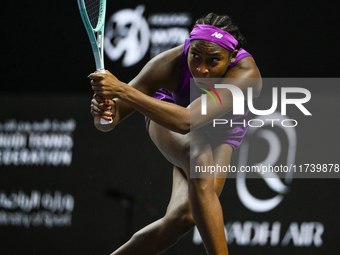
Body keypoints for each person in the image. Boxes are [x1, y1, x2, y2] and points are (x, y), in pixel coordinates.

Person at [89, 13, 261, 255]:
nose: (201, 69)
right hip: (170, 113)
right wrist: (104, 113)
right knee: (198, 158)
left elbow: (188, 121)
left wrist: (122, 90)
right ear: (188, 47)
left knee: (185, 218)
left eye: (213, 61)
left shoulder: (247, 75)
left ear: (232, 57)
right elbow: (110, 120)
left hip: (220, 132)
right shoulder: (168, 64)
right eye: (195, 56)